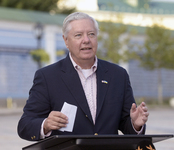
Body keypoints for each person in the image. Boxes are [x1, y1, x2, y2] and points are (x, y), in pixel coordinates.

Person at [17, 12, 149, 141]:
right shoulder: (47, 77)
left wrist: (135, 124)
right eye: (78, 35)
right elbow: (25, 125)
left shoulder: (118, 75)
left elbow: (126, 125)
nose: (86, 40)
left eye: (91, 34)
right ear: (66, 40)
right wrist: (45, 125)